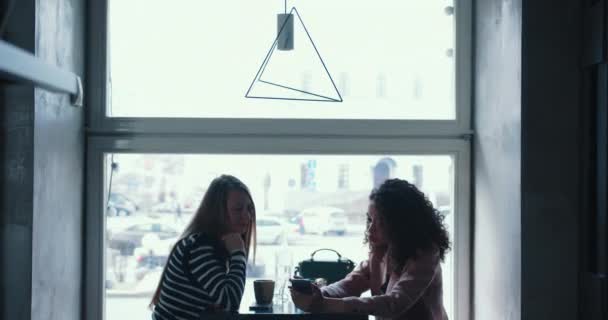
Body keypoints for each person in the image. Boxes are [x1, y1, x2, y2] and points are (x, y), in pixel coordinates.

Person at [291, 178, 450, 320]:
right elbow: (350, 284)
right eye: (370, 219)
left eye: (380, 222)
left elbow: (394, 303)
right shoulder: (382, 251)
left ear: (401, 224)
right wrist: (319, 294)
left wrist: (326, 304)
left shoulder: (426, 253)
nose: (370, 229)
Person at [150, 175, 256, 320]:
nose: (247, 216)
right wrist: (238, 253)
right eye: (238, 209)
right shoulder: (199, 248)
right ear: (217, 212)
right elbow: (231, 303)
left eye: (249, 208)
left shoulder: (211, 243)